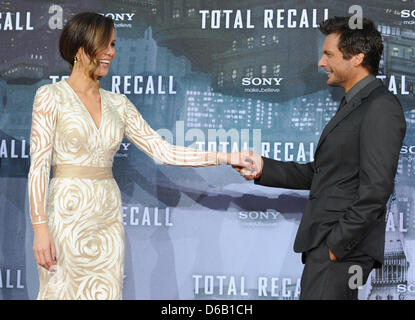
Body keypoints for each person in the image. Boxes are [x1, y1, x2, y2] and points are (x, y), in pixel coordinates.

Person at [27, 12, 244, 300]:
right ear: (79, 48)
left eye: (113, 44)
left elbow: (163, 151)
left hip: (106, 215)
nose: (110, 53)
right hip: (64, 215)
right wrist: (40, 228)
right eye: (103, 44)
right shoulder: (50, 96)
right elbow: (38, 167)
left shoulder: (119, 104)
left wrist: (225, 157)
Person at [233, 17, 406, 299]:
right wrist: (264, 167)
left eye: (328, 54)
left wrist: (336, 246)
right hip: (329, 249)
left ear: (357, 58)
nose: (320, 63)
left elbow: (376, 190)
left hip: (342, 252)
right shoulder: (354, 104)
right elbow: (324, 173)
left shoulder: (380, 107)